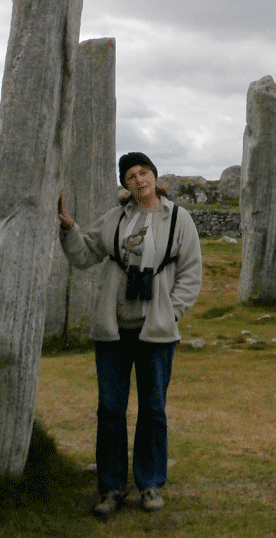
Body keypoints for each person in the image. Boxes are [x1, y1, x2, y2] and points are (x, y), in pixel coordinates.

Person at [57, 151, 202, 517]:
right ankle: (111, 487)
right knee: (110, 409)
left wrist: (171, 312)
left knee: (153, 409)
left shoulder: (178, 219)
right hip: (113, 330)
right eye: (131, 176)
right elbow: (84, 254)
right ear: (125, 184)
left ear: (154, 175)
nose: (139, 180)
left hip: (156, 332)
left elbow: (191, 272)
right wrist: (69, 228)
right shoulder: (116, 218)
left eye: (143, 172)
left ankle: (150, 483)